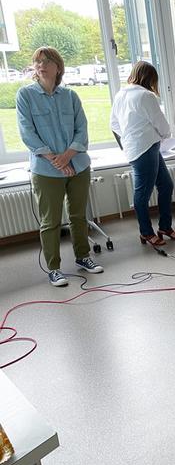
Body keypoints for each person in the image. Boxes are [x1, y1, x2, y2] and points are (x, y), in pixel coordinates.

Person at [16, 46, 103, 287]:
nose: (40, 65)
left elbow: (82, 130)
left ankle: (83, 257)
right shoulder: (26, 96)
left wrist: (68, 156)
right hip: (46, 170)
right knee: (50, 221)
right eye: (37, 62)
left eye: (46, 61)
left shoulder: (70, 96)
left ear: (58, 67)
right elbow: (27, 133)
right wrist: (56, 160)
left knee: (78, 216)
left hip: (78, 165)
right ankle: (54, 268)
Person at [110, 61, 175, 247]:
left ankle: (165, 227)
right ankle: (146, 233)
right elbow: (162, 124)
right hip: (146, 148)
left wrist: (128, 140)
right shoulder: (146, 96)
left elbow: (114, 125)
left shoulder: (120, 95)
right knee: (142, 194)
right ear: (150, 78)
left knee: (166, 185)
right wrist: (165, 136)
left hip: (140, 148)